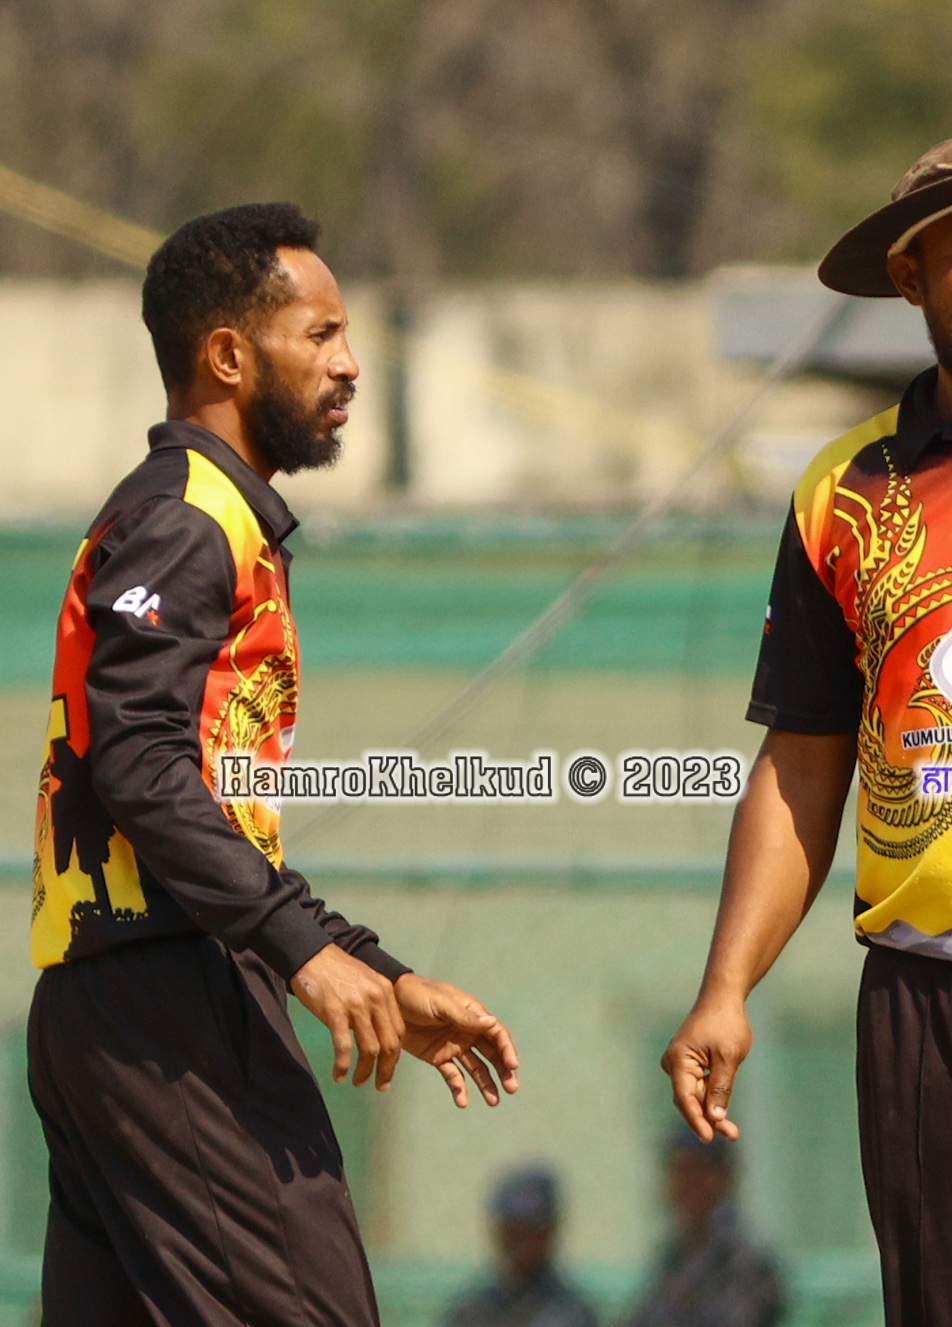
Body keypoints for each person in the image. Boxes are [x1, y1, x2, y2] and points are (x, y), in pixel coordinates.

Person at [660, 123, 952, 1327]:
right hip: (927, 1010)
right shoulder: (842, 490)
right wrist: (725, 988)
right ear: (910, 277)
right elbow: (801, 763)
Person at [28, 202, 520, 1327]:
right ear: (228, 355)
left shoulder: (213, 519)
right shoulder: (186, 517)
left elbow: (209, 816)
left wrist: (368, 966)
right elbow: (138, 762)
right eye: (321, 333)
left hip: (113, 1004)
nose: (349, 364)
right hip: (174, 1006)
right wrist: (302, 956)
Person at [624, 1132, 784, 1327]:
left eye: (701, 1170)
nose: (690, 1183)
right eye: (681, 1171)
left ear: (725, 1179)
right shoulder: (673, 1258)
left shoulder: (745, 1265)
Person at [445, 1166, 598, 1327]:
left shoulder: (573, 1314)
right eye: (514, 1232)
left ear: (552, 1229)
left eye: (533, 1232)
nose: (524, 1245)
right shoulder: (472, 1311)